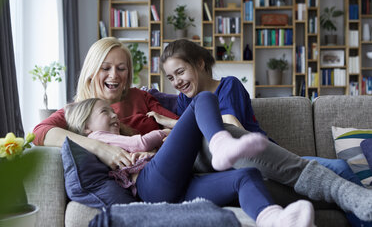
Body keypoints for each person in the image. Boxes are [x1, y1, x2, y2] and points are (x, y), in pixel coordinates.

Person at [146, 39, 372, 224]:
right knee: (332, 184)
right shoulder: (186, 101)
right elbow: (165, 105)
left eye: (180, 72)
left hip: (264, 159)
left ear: (200, 63)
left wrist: (168, 121)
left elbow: (231, 125)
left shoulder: (228, 86)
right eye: (170, 78)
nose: (176, 82)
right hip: (236, 173)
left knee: (340, 168)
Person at [64, 96, 316, 227]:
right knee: (201, 101)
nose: (113, 115)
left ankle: (273, 220)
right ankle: (220, 144)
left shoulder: (111, 138)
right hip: (150, 187)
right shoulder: (97, 139)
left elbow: (140, 153)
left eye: (112, 110)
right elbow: (138, 144)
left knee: (245, 176)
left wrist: (152, 154)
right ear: (86, 126)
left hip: (172, 189)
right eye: (104, 112)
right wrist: (164, 133)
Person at [33, 37, 180, 170]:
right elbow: (39, 132)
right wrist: (98, 147)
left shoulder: (141, 96)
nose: (114, 75)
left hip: (162, 164)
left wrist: (153, 152)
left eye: (121, 68)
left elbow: (180, 127)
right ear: (92, 71)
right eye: (105, 68)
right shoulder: (78, 110)